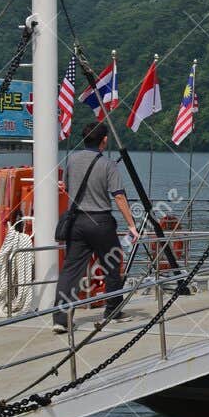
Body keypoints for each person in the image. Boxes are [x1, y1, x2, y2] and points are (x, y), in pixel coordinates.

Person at [55, 121, 139, 333]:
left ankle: (61, 319)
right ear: (104, 140)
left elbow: (64, 187)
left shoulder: (71, 160)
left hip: (77, 222)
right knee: (112, 264)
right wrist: (131, 225)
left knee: (70, 271)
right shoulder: (108, 165)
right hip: (100, 221)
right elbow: (118, 196)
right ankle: (112, 310)